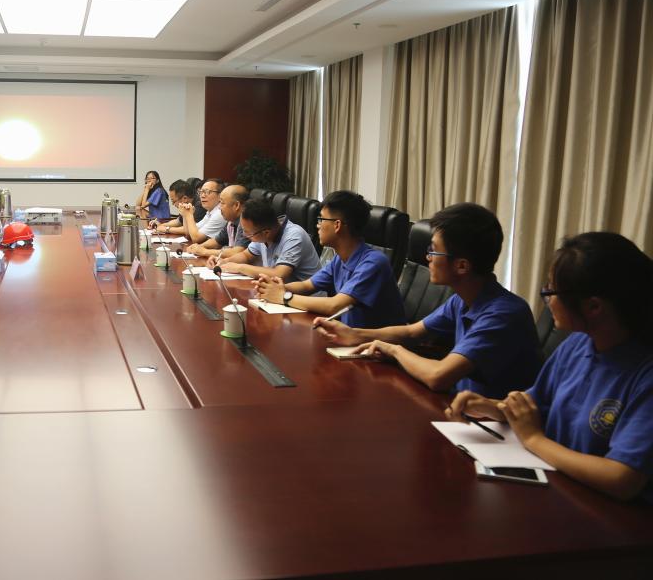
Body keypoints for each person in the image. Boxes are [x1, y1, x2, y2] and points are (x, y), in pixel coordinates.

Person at [447, 232, 653, 502]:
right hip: (560, 491)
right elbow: (534, 406)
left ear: (594, 307)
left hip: (610, 516)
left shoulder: (644, 374)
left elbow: (622, 478)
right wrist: (494, 408)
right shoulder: (577, 344)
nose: (547, 300)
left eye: (550, 291)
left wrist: (535, 440)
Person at [315, 202, 540, 397]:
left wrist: (394, 351)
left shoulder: (503, 314)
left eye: (434, 251)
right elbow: (412, 333)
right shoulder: (462, 300)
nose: (427, 258)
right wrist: (354, 334)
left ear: (462, 266)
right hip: (461, 409)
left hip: (492, 425)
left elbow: (438, 376)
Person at [256, 190, 406, 328]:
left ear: (337, 225)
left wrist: (283, 296)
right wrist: (274, 288)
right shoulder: (340, 259)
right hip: (349, 337)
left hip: (376, 344)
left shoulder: (374, 263)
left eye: (321, 219)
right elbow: (307, 285)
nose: (318, 225)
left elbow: (335, 305)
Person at [217, 197, 320, 281]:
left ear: (266, 233)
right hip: (279, 292)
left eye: (248, 233)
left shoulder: (294, 236)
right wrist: (225, 262)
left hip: (306, 297)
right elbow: (246, 255)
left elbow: (279, 274)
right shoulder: (262, 232)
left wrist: (239, 267)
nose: (244, 235)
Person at [187, 185, 250, 260]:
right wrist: (199, 247)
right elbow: (217, 241)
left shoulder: (247, 222)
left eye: (222, 203)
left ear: (236, 205)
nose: (219, 207)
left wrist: (205, 251)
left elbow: (237, 252)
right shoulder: (231, 221)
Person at [177, 178, 227, 244]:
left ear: (220, 195)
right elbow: (188, 233)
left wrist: (189, 215)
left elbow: (196, 238)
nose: (202, 196)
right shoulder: (210, 212)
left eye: (207, 192)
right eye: (201, 192)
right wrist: (185, 215)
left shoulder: (220, 213)